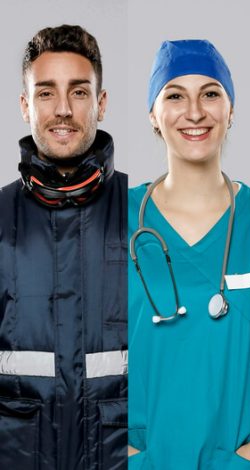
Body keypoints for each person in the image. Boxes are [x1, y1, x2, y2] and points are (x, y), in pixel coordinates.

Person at [0, 24, 127, 470]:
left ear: (101, 102)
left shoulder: (148, 212)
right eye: (45, 93)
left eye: (78, 92)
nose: (62, 110)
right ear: (24, 105)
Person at [126, 40, 250, 469]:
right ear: (153, 114)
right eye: (175, 95)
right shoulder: (116, 218)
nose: (195, 112)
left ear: (231, 110)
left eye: (211, 94)